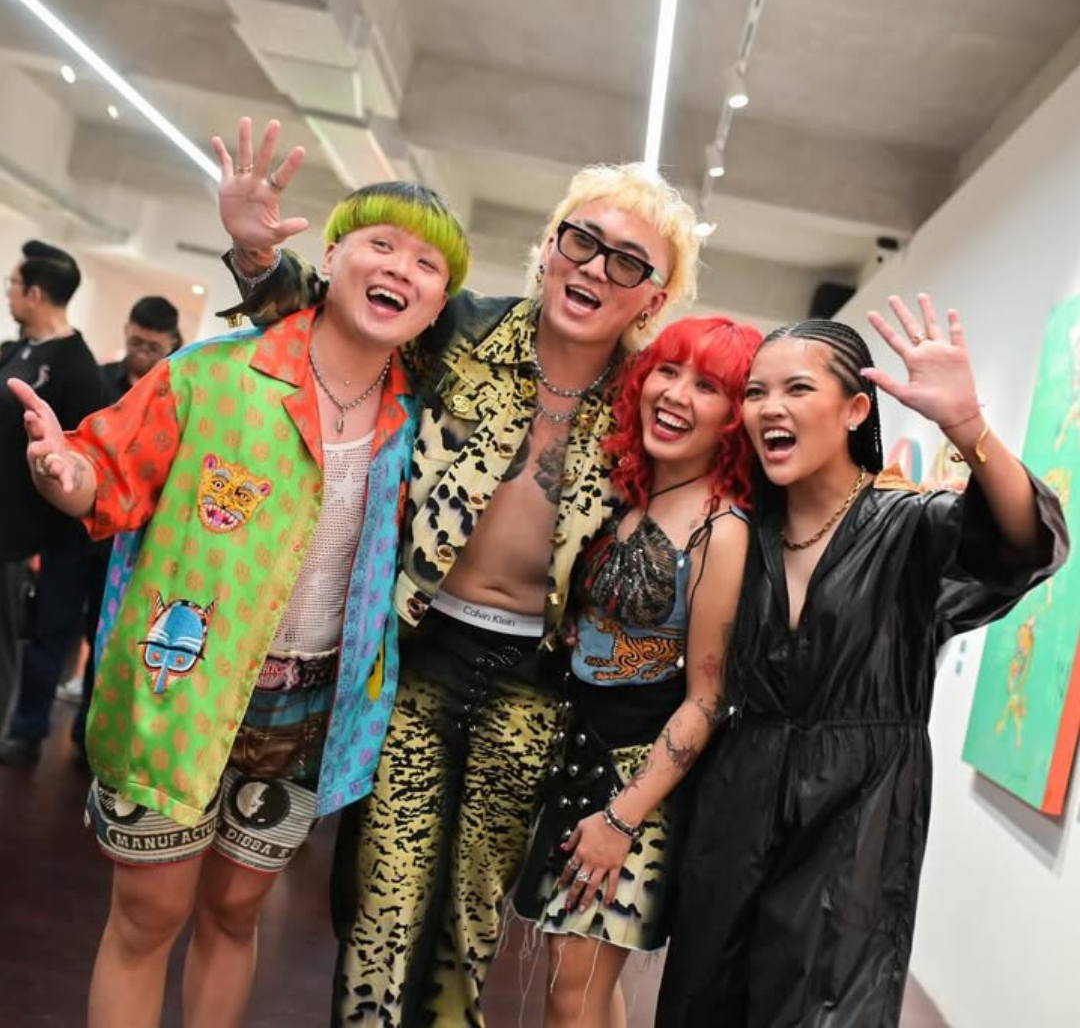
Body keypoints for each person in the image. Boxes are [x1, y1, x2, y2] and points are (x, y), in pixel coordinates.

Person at [219, 117, 701, 1025]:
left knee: (468, 923)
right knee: (382, 906)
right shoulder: (460, 329)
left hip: (538, 684)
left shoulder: (650, 399)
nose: (595, 269)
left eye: (627, 262)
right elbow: (327, 322)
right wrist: (254, 257)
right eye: (582, 242)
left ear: (653, 297)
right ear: (550, 248)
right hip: (420, 655)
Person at [8, 168, 470, 1028]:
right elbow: (103, 471)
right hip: (176, 687)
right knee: (148, 915)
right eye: (381, 245)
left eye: (426, 264)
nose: (399, 269)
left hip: (306, 710)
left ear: (440, 302)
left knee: (234, 913)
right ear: (331, 257)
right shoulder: (213, 373)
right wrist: (62, 473)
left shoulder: (423, 423)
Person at [656, 296, 1068, 1027]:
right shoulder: (741, 532)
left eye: (797, 388)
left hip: (859, 815)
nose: (770, 408)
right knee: (704, 1002)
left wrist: (967, 426)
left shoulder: (908, 525)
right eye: (756, 392)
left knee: (827, 1008)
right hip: (737, 802)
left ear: (854, 410)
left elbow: (1025, 544)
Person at [512, 315, 760, 1027]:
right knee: (577, 982)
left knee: (573, 989)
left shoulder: (721, 529)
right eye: (668, 372)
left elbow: (707, 699)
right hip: (574, 759)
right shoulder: (623, 493)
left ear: (734, 417)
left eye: (707, 386)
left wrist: (623, 817)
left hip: (638, 787)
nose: (676, 395)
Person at [69, 296, 184, 764]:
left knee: (118, 642)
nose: (142, 352)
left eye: (152, 346)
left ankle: (97, 737)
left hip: (140, 545)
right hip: (83, 536)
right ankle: (73, 731)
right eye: (136, 341)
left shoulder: (181, 391)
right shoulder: (100, 380)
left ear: (171, 342)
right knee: (70, 632)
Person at [0, 239, 101, 752]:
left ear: (36, 294)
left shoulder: (77, 368)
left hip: (24, 536)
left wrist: (45, 546)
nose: (9, 293)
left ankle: (12, 731)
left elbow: (78, 465)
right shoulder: (14, 350)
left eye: (14, 285)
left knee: (12, 644)